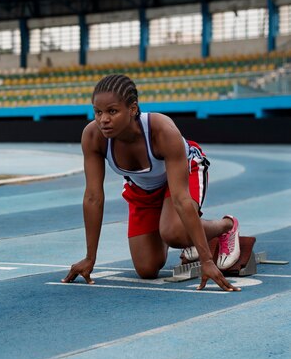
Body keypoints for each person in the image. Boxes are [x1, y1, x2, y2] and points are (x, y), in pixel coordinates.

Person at [62, 74, 241, 291]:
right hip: (142, 189)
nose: (103, 120)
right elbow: (93, 197)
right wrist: (90, 257)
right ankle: (188, 237)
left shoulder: (161, 130)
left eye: (112, 111)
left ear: (133, 109)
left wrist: (206, 261)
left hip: (184, 174)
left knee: (174, 232)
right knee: (146, 269)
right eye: (98, 112)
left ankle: (225, 226)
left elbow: (181, 198)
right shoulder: (93, 136)